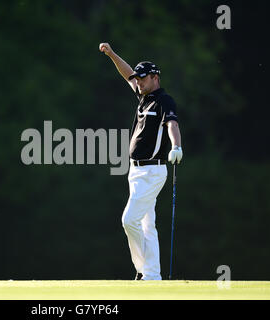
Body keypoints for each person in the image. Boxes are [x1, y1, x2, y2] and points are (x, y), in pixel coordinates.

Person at [99, 42, 183, 280]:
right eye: (137, 79)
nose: (138, 82)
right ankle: (153, 276)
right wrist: (112, 54)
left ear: (155, 77)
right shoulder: (142, 96)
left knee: (129, 220)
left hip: (152, 172)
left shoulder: (164, 101)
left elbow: (173, 124)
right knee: (147, 225)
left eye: (142, 78)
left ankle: (142, 269)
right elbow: (127, 73)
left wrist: (176, 145)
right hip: (135, 173)